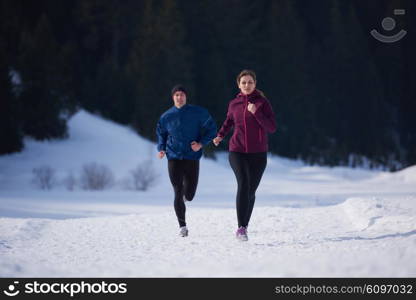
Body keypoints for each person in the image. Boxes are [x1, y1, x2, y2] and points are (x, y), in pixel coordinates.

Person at [213, 70, 276, 241]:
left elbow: (271, 127)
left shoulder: (262, 103)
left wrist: (256, 112)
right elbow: (228, 122)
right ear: (238, 85)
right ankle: (240, 228)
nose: (247, 85)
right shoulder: (234, 104)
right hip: (237, 151)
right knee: (243, 183)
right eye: (244, 82)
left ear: (255, 84)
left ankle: (245, 226)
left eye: (250, 82)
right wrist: (220, 135)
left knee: (251, 190)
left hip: (259, 153)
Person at [157, 85, 217, 237]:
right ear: (173, 97)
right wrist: (161, 148)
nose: (179, 97)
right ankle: (182, 227)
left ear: (186, 97)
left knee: (189, 195)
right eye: (176, 95)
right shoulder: (166, 116)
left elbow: (212, 129)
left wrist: (201, 144)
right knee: (177, 190)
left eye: (182, 94)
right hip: (174, 157)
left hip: (191, 157)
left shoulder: (198, 112)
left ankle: (184, 198)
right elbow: (161, 133)